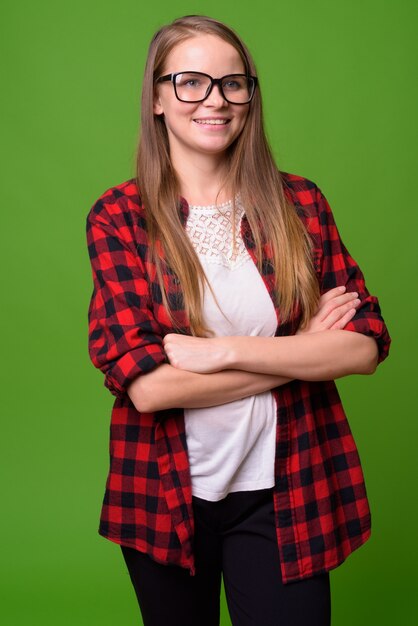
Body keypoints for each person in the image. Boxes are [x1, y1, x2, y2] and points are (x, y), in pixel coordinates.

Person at [86, 14, 391, 626]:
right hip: (164, 494)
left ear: (250, 96)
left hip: (287, 487)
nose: (216, 100)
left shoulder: (299, 204)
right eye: (191, 82)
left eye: (233, 83)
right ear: (156, 98)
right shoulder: (120, 218)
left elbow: (363, 347)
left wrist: (220, 352)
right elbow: (150, 388)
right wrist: (302, 350)